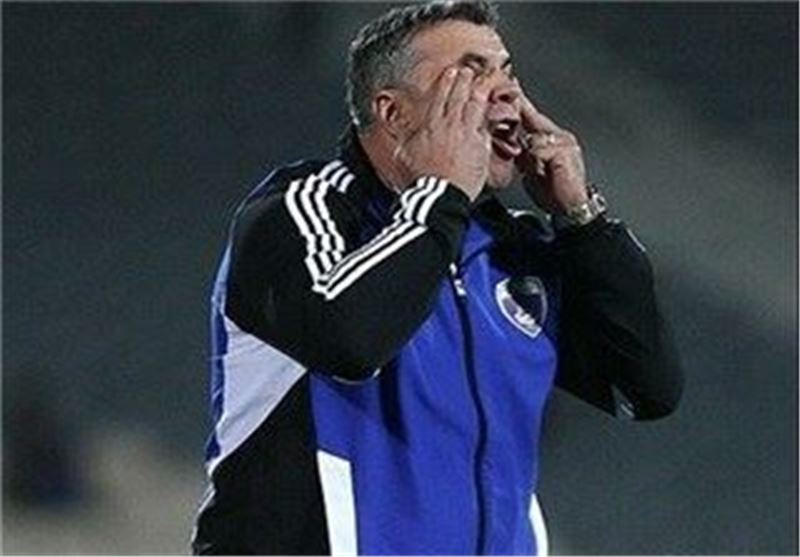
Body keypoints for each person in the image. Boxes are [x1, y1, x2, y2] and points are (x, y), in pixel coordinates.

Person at [191, 2, 683, 555]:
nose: (507, 92)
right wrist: (442, 195)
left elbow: (644, 389)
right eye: (470, 74)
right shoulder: (302, 211)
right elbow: (349, 340)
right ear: (393, 113)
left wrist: (582, 222)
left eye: (508, 72)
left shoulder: (513, 255)